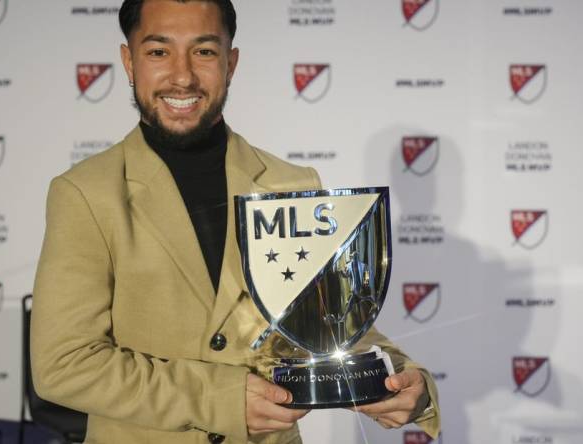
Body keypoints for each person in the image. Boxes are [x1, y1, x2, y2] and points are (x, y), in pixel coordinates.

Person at [31, 1, 440, 443]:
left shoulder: (293, 182)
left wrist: (402, 379)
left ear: (232, 62)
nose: (183, 75)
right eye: (158, 52)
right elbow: (64, 363)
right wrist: (219, 400)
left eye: (204, 52)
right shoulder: (85, 193)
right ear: (129, 61)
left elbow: (331, 324)